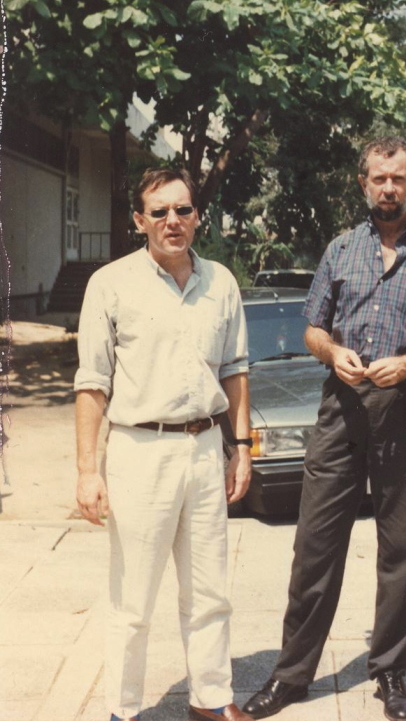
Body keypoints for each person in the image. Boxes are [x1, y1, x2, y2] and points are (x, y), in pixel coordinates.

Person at [242, 137, 406, 721]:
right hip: (340, 412)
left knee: (401, 549)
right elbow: (313, 329)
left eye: (398, 178)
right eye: (379, 178)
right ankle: (292, 675)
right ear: (363, 183)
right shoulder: (340, 250)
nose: (388, 188)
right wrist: (332, 353)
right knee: (315, 547)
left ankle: (391, 673)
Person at [74, 167, 252, 721]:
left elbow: (236, 369)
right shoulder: (110, 284)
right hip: (138, 452)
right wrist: (87, 471)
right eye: (160, 212)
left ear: (198, 215)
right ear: (139, 220)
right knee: (133, 601)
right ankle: (122, 710)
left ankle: (211, 698)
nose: (173, 222)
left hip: (203, 449)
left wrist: (241, 446)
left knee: (209, 591)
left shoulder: (220, 282)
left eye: (183, 210)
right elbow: (91, 383)